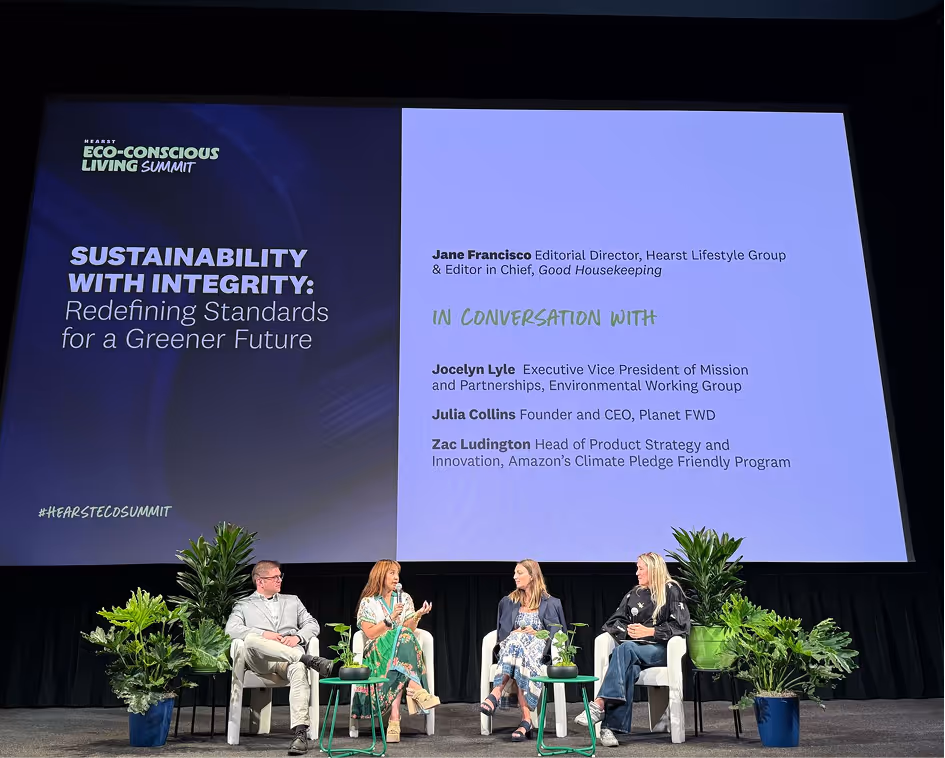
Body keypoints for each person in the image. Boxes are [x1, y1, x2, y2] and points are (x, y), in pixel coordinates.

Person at [575, 552, 691, 747]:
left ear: (653, 569)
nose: (637, 573)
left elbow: (681, 626)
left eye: (641, 568)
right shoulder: (634, 593)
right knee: (628, 663)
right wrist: (629, 631)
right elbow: (615, 621)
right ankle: (608, 729)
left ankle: (599, 704)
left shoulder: (671, 589)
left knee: (625, 650)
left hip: (660, 649)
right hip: (634, 650)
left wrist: (650, 631)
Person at [226, 560, 338, 756]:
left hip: (287, 659)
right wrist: (264, 634)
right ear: (260, 581)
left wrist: (298, 637)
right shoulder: (243, 604)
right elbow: (231, 630)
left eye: (280, 576)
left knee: (297, 669)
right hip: (260, 660)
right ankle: (308, 659)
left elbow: (312, 624)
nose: (279, 580)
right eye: (275, 577)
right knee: (251, 638)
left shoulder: (292, 600)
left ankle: (300, 734)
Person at [351, 559, 439, 744]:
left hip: (399, 650)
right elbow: (370, 633)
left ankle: (395, 718)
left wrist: (418, 615)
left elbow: (409, 628)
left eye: (397, 573)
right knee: (401, 636)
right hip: (376, 651)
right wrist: (390, 618)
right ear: (380, 575)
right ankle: (416, 689)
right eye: (391, 572)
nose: (396, 577)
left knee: (404, 636)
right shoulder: (369, 602)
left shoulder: (404, 598)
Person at [480, 559, 566, 742]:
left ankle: (496, 691)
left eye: (519, 573)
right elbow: (502, 633)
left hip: (538, 650)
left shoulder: (551, 603)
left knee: (519, 644)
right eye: (514, 573)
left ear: (532, 576)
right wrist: (516, 633)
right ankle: (526, 719)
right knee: (516, 641)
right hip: (513, 650)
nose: (514, 577)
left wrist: (537, 633)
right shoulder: (508, 601)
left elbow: (559, 634)